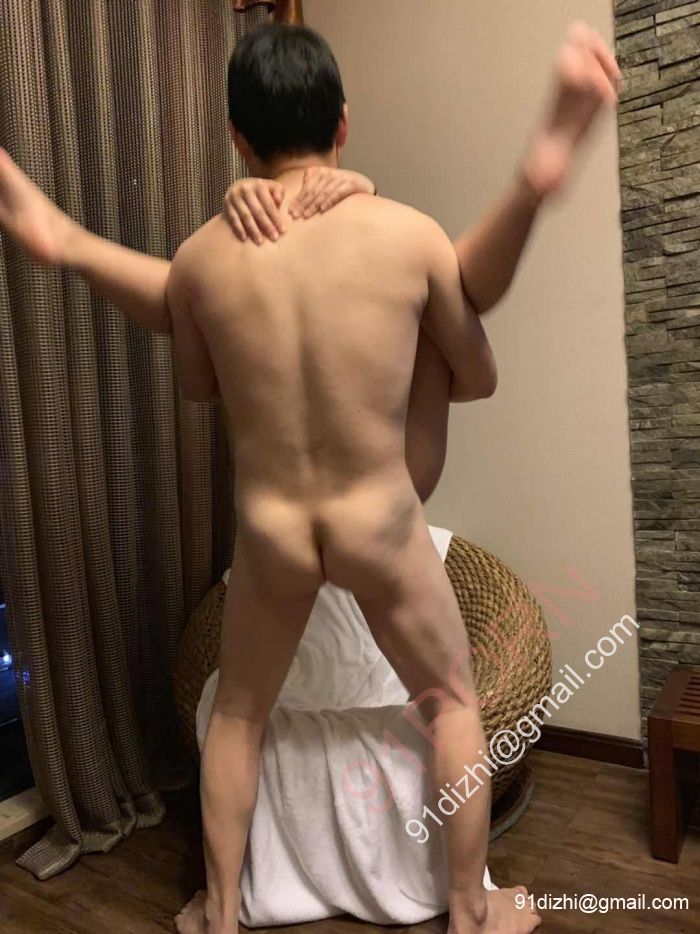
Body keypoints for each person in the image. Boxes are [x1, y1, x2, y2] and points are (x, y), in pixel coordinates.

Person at [0, 20, 620, 934]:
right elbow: (475, 370)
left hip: (274, 529)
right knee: (452, 702)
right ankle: (470, 908)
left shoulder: (202, 259)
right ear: (343, 123)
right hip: (380, 517)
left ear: (237, 137)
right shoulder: (407, 235)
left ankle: (219, 911)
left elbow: (198, 385)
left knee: (238, 717)